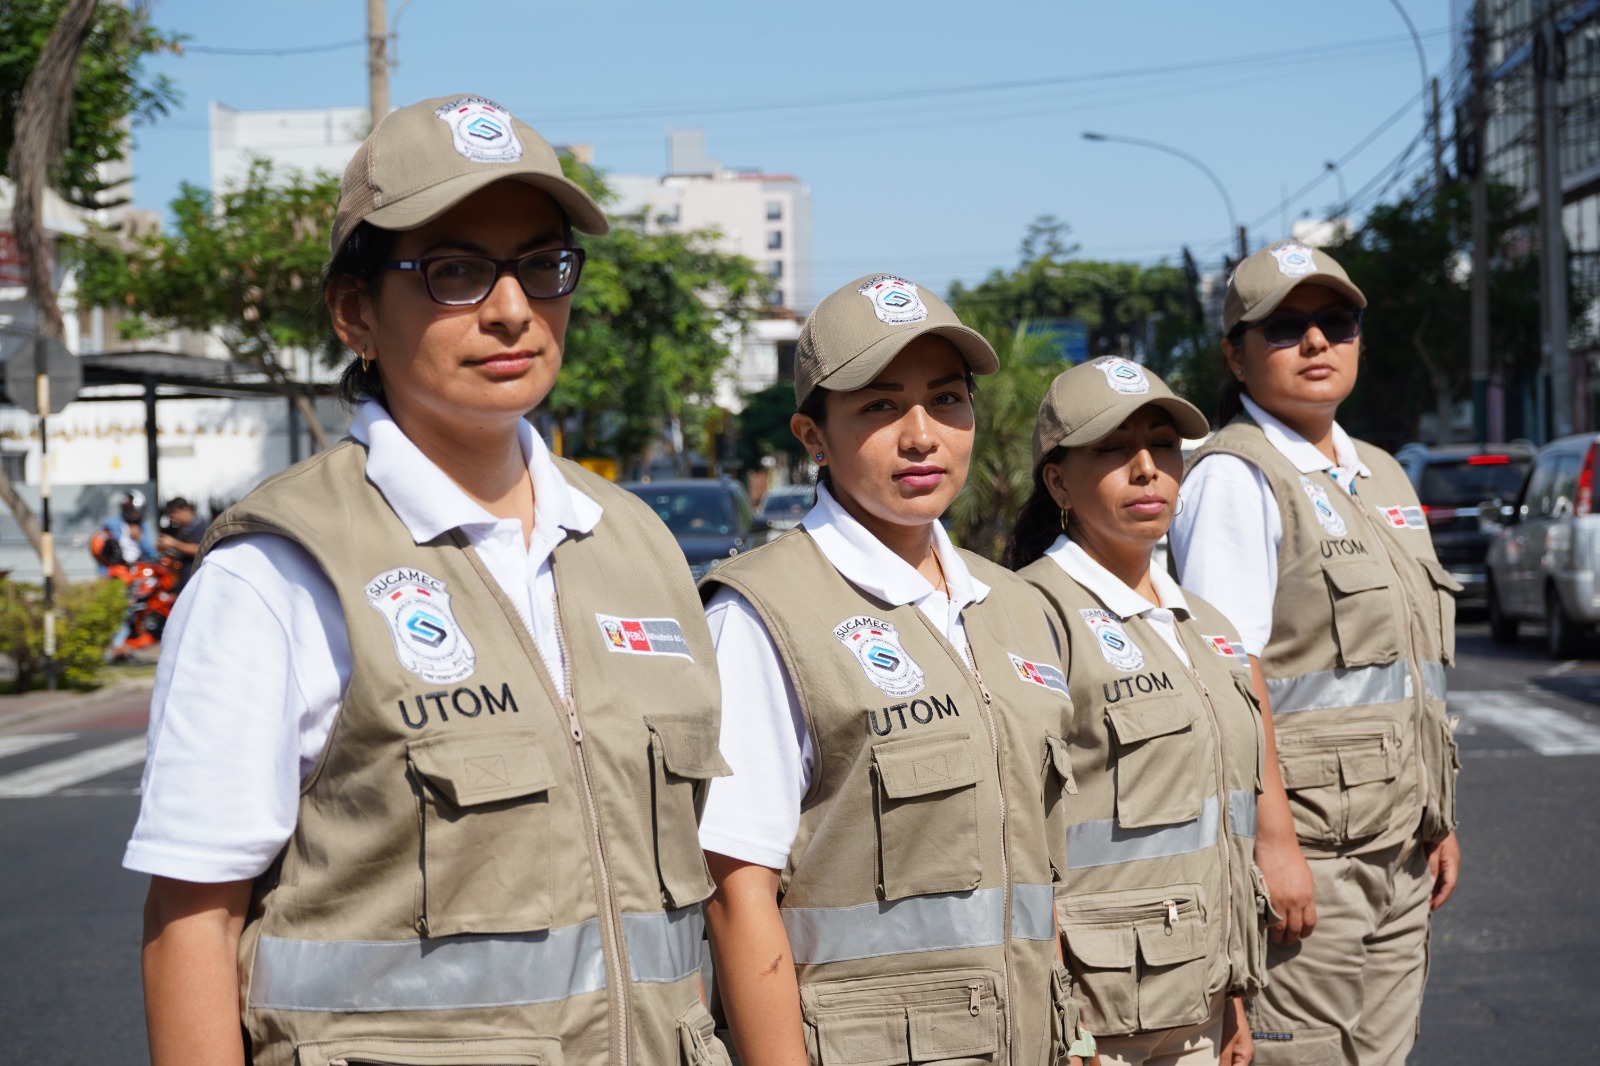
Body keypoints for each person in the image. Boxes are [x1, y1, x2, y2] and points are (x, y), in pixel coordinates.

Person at [125, 94, 732, 1066]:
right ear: (356, 311)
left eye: (543, 265)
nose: (510, 309)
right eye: (453, 270)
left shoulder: (639, 545)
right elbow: (192, 914)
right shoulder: (282, 567)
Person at [697, 275, 1092, 1066]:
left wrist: (1069, 1031)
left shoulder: (1013, 604)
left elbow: (1031, 863)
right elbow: (738, 897)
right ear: (814, 436)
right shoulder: (762, 615)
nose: (922, 436)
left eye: (947, 399)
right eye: (880, 406)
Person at [1169, 240, 1462, 1066]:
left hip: (1399, 845)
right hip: (1313, 856)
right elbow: (1232, 675)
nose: (1316, 344)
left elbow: (1413, 673)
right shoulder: (1236, 475)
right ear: (1235, 353)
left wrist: (1437, 816)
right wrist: (1273, 847)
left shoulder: (1381, 474)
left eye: (1337, 323)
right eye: (1285, 327)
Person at [1004, 358, 1269, 1066]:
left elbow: (1219, 832)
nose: (1147, 468)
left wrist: (1232, 998)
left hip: (1196, 998)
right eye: (1113, 449)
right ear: (1058, 480)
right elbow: (1021, 840)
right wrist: (1064, 1024)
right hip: (1098, 1022)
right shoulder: (1030, 614)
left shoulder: (1202, 622)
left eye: (1163, 446)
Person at [157, 497, 209, 589]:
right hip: (184, 578)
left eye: (174, 512)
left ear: (185, 509)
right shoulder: (180, 528)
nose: (172, 517)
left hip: (198, 579)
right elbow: (181, 553)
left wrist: (174, 544)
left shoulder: (202, 526)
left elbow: (201, 550)